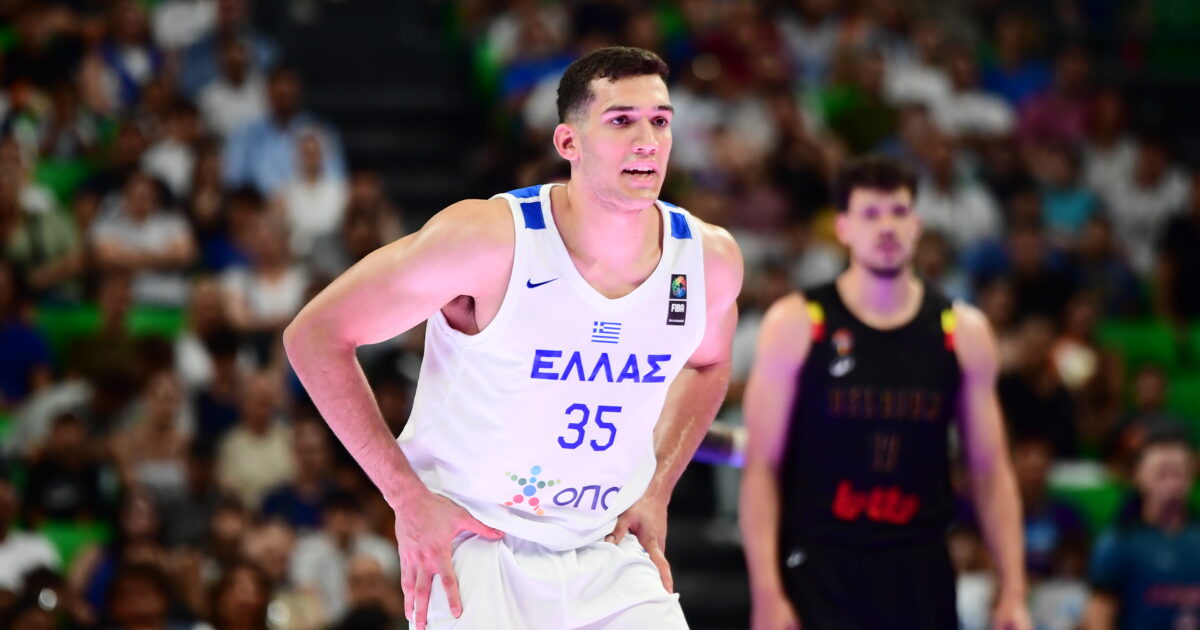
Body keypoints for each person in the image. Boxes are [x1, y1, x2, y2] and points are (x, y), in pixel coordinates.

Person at [284, 46, 742, 630]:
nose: (647, 140)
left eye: (660, 120)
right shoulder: (487, 240)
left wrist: (658, 488)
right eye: (621, 121)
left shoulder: (707, 259)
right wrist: (405, 497)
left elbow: (710, 363)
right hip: (478, 543)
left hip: (604, 545)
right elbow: (315, 335)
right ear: (568, 143)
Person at [739, 155, 1031, 630]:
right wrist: (767, 594)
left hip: (919, 564)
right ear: (843, 227)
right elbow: (761, 468)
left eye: (898, 212)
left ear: (917, 224)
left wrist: (1014, 589)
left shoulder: (961, 331)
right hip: (819, 563)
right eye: (871, 214)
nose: (887, 227)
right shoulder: (798, 323)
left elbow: (990, 470)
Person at [1084, 426, 1200, 630]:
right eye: (1162, 474)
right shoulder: (1118, 542)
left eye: (1178, 473)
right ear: (1139, 476)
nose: (1172, 484)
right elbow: (1098, 615)